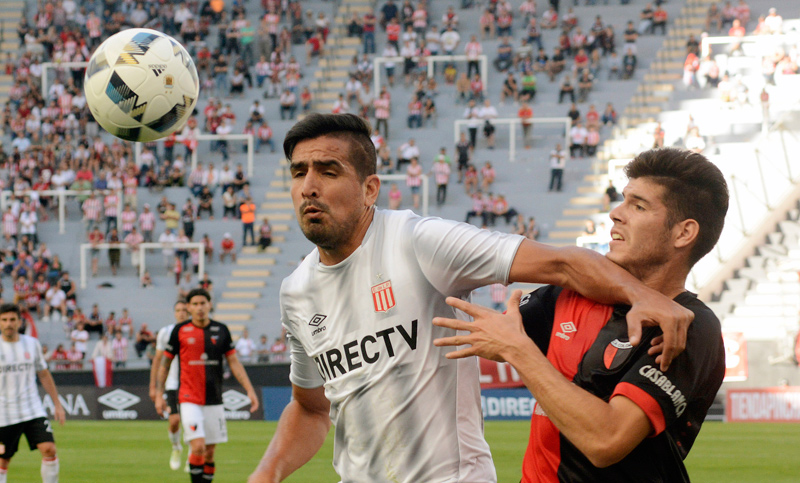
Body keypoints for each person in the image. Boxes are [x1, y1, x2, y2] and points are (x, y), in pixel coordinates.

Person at [246, 114, 693, 483]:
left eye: (328, 170)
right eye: (298, 172)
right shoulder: (297, 291)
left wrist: (639, 295)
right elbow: (310, 407)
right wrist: (265, 474)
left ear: (370, 189)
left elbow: (560, 263)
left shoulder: (418, 241)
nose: (308, 186)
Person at [431, 148, 729, 482]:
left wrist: (518, 350)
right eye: (623, 200)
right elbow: (489, 338)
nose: (616, 213)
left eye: (638, 205)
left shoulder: (689, 326)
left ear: (683, 233)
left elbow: (606, 440)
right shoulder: (569, 294)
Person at [155, 289, 258, 483]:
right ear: (188, 307)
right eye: (195, 304)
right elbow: (165, 364)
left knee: (209, 453)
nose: (199, 308)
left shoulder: (222, 330)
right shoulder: (180, 331)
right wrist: (159, 394)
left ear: (210, 305)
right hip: (188, 398)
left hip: (214, 399)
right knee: (198, 447)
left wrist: (250, 390)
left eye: (203, 303)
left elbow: (234, 362)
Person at [0, 303, 66, 483]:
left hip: (32, 409)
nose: (8, 324)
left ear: (19, 321)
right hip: (4, 414)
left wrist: (57, 404)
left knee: (49, 449)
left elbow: (43, 374)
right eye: (4, 320)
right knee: (3, 459)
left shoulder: (32, 344)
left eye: (12, 319)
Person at [150, 300, 190, 472]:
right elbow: (158, 361)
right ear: (174, 312)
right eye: (178, 310)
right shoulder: (166, 333)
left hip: (191, 384)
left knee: (190, 422)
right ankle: (176, 447)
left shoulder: (195, 331)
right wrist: (154, 388)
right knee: (174, 421)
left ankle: (192, 454)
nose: (181, 313)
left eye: (184, 310)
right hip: (172, 383)